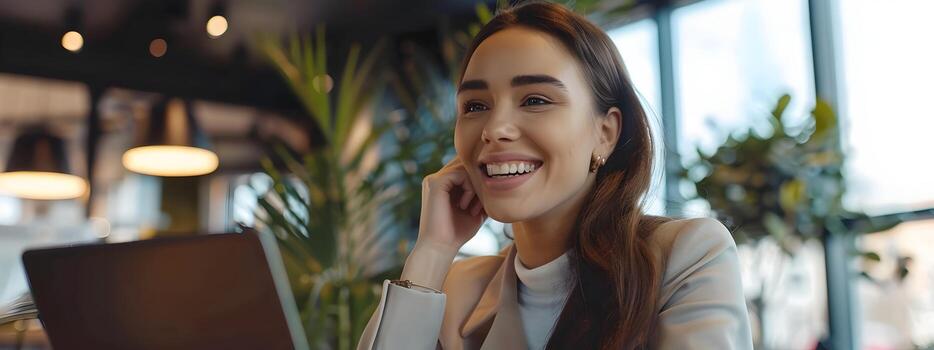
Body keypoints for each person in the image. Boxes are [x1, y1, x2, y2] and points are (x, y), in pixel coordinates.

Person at [357, 2, 752, 349]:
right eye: (475, 106)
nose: (495, 128)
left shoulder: (685, 257)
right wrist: (432, 251)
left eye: (535, 100)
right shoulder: (460, 290)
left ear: (606, 133)